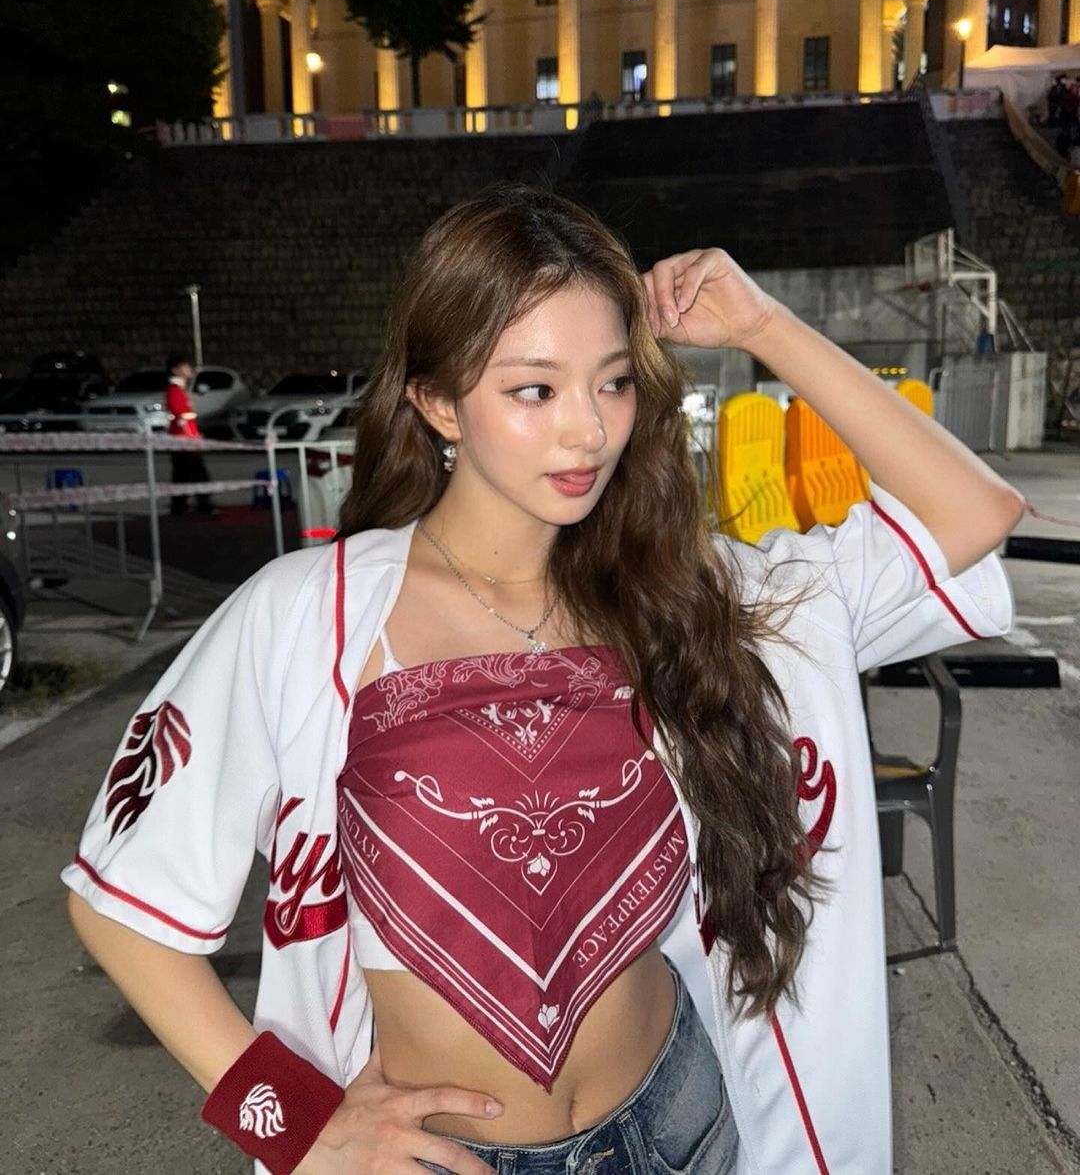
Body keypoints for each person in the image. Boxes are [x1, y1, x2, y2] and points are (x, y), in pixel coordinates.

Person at [62, 184, 1023, 1175]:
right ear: (439, 402)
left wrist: (764, 326)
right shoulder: (306, 614)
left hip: (683, 1125)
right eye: (536, 390)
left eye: (613, 383)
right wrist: (295, 1129)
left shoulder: (689, 598)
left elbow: (974, 514)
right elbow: (119, 906)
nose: (590, 432)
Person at [165, 352, 214, 517]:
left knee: (183, 475)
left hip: (185, 439)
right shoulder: (174, 390)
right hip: (184, 441)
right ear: (175, 370)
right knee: (196, 474)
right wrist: (192, 436)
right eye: (185, 367)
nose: (189, 369)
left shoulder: (179, 390)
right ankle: (201, 505)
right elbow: (181, 417)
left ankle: (181, 506)